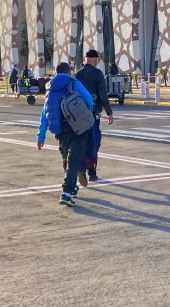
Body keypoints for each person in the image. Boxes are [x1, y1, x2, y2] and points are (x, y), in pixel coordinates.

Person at [37, 62, 94, 206]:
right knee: (74, 159)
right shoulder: (73, 83)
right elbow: (88, 99)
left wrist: (41, 135)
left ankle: (72, 187)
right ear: (69, 72)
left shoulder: (50, 87)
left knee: (66, 157)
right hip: (77, 126)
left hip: (60, 129)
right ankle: (67, 192)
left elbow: (45, 112)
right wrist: (86, 113)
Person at [75, 49, 114, 182]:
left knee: (81, 141)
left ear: (85, 59)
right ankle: (92, 172)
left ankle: (80, 167)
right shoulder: (98, 74)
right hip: (93, 115)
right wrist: (109, 113)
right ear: (95, 60)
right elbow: (103, 95)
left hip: (78, 115)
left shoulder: (77, 74)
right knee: (94, 142)